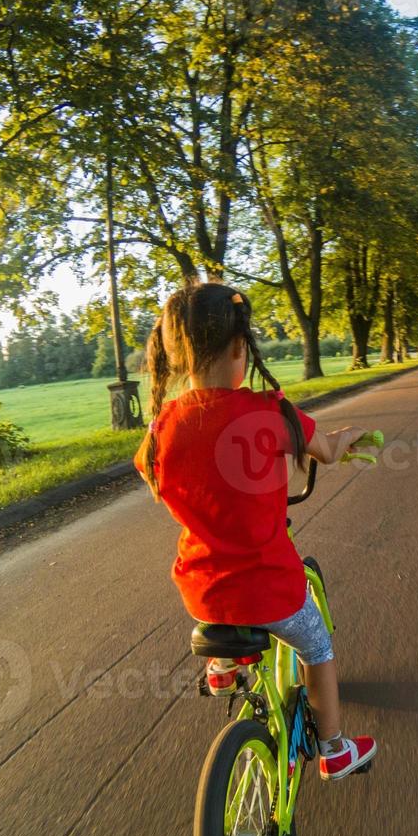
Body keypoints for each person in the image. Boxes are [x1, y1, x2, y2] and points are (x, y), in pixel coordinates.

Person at [134, 282, 379, 779]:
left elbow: (153, 473)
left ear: (177, 355)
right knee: (317, 647)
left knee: (222, 608)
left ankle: (223, 669)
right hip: (271, 589)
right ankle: (333, 748)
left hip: (201, 592)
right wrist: (347, 438)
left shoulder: (163, 427)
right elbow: (326, 450)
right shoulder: (269, 413)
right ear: (240, 347)